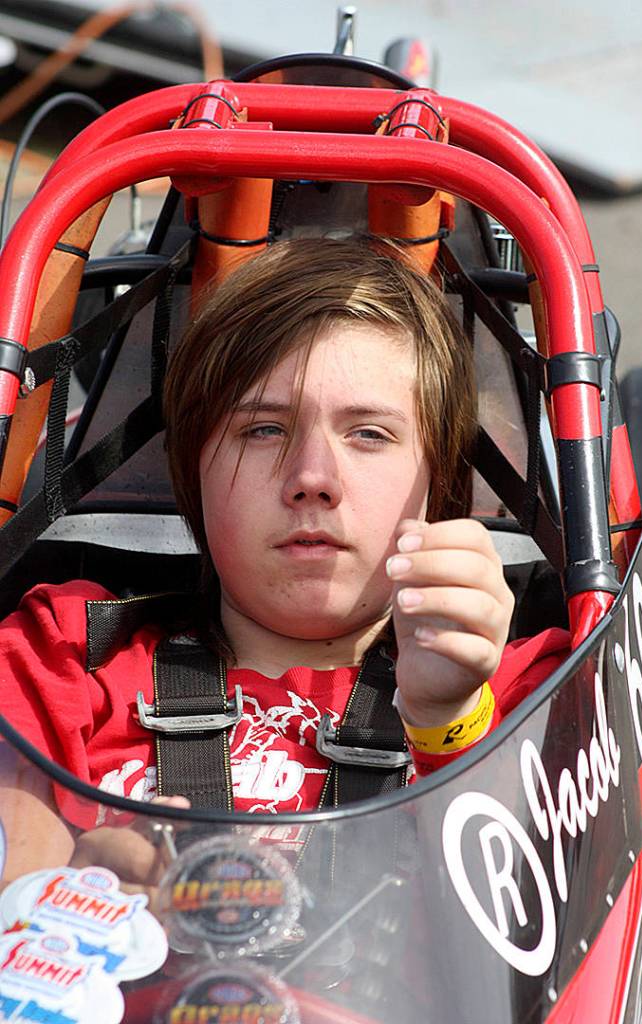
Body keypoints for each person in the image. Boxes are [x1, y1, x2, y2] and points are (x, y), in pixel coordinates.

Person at [0, 237, 567, 883]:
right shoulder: (63, 658)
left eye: (368, 434)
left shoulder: (527, 687)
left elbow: (540, 933)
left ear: (437, 479)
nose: (311, 478)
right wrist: (76, 893)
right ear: (194, 470)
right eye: (263, 428)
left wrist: (449, 721)